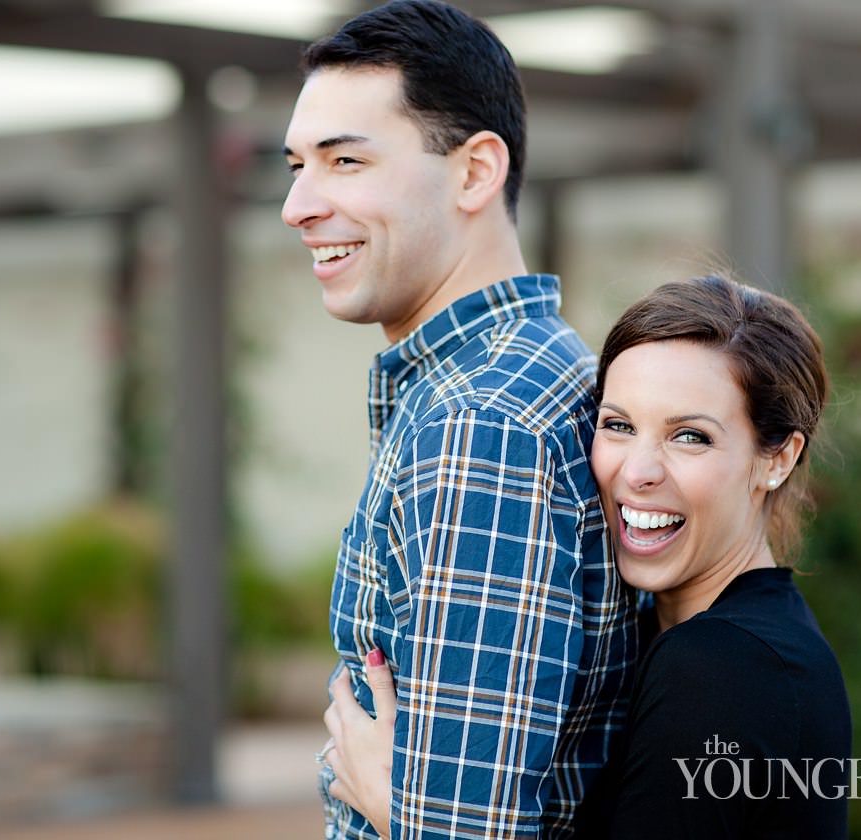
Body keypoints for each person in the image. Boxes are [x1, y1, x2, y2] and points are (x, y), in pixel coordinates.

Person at [280, 2, 637, 838]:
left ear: (476, 172)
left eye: (344, 161)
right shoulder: (526, 374)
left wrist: (384, 805)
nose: (297, 205)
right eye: (296, 165)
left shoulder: (481, 423)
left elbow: (462, 829)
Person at [326, 274, 852, 839]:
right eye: (619, 425)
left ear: (777, 459)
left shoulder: (720, 667)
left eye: (690, 437)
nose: (638, 471)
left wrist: (397, 813)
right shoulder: (706, 634)